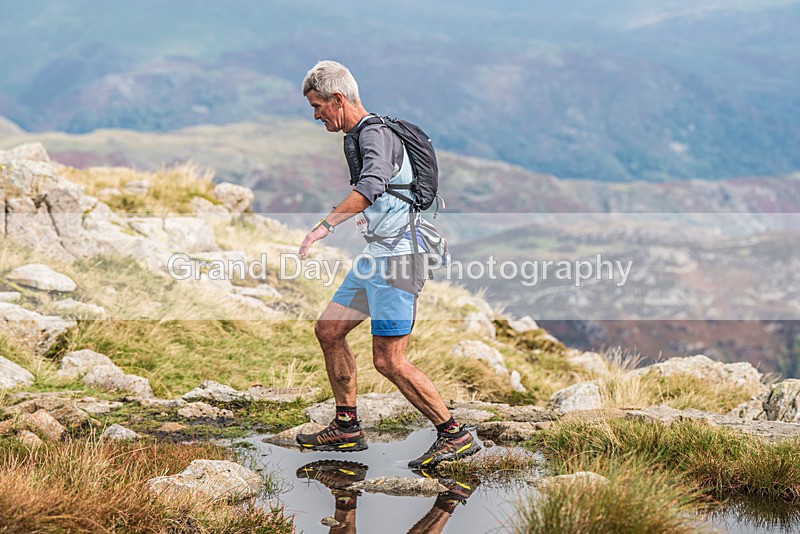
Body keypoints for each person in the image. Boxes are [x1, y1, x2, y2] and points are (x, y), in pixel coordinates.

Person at [295, 60, 479, 468]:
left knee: (389, 360)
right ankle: (346, 428)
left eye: (317, 106)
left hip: (400, 259)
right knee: (329, 330)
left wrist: (324, 226)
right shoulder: (362, 134)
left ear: (337, 100)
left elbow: (373, 183)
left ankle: (454, 434)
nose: (315, 115)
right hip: (377, 256)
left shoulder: (375, 134)